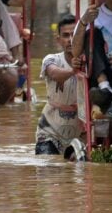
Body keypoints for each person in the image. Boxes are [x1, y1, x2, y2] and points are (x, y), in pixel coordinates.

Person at [35, 16, 82, 156]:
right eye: (66, 35)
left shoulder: (90, 62)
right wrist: (73, 71)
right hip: (50, 132)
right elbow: (54, 73)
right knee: (48, 171)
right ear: (58, 40)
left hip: (80, 134)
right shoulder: (51, 59)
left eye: (74, 34)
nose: (70, 39)